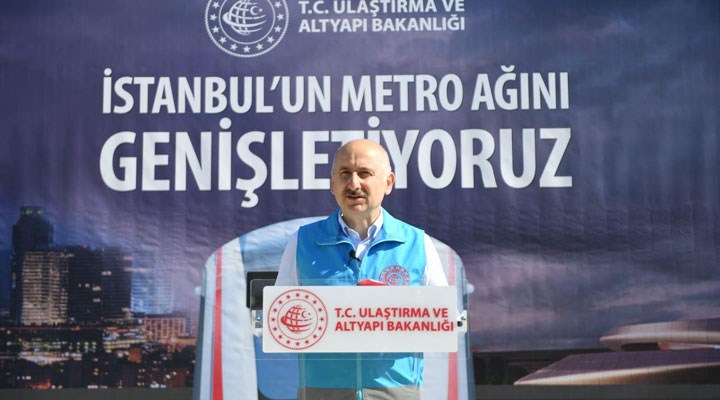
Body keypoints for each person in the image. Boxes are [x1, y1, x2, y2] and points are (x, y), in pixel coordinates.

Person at [275, 139, 448, 400]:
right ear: (332, 184)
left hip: (395, 391)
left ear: (388, 182)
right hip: (322, 391)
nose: (354, 184)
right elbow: (279, 321)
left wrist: (397, 310)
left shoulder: (417, 243)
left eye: (365, 173)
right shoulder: (302, 242)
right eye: (344, 174)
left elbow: (444, 321)